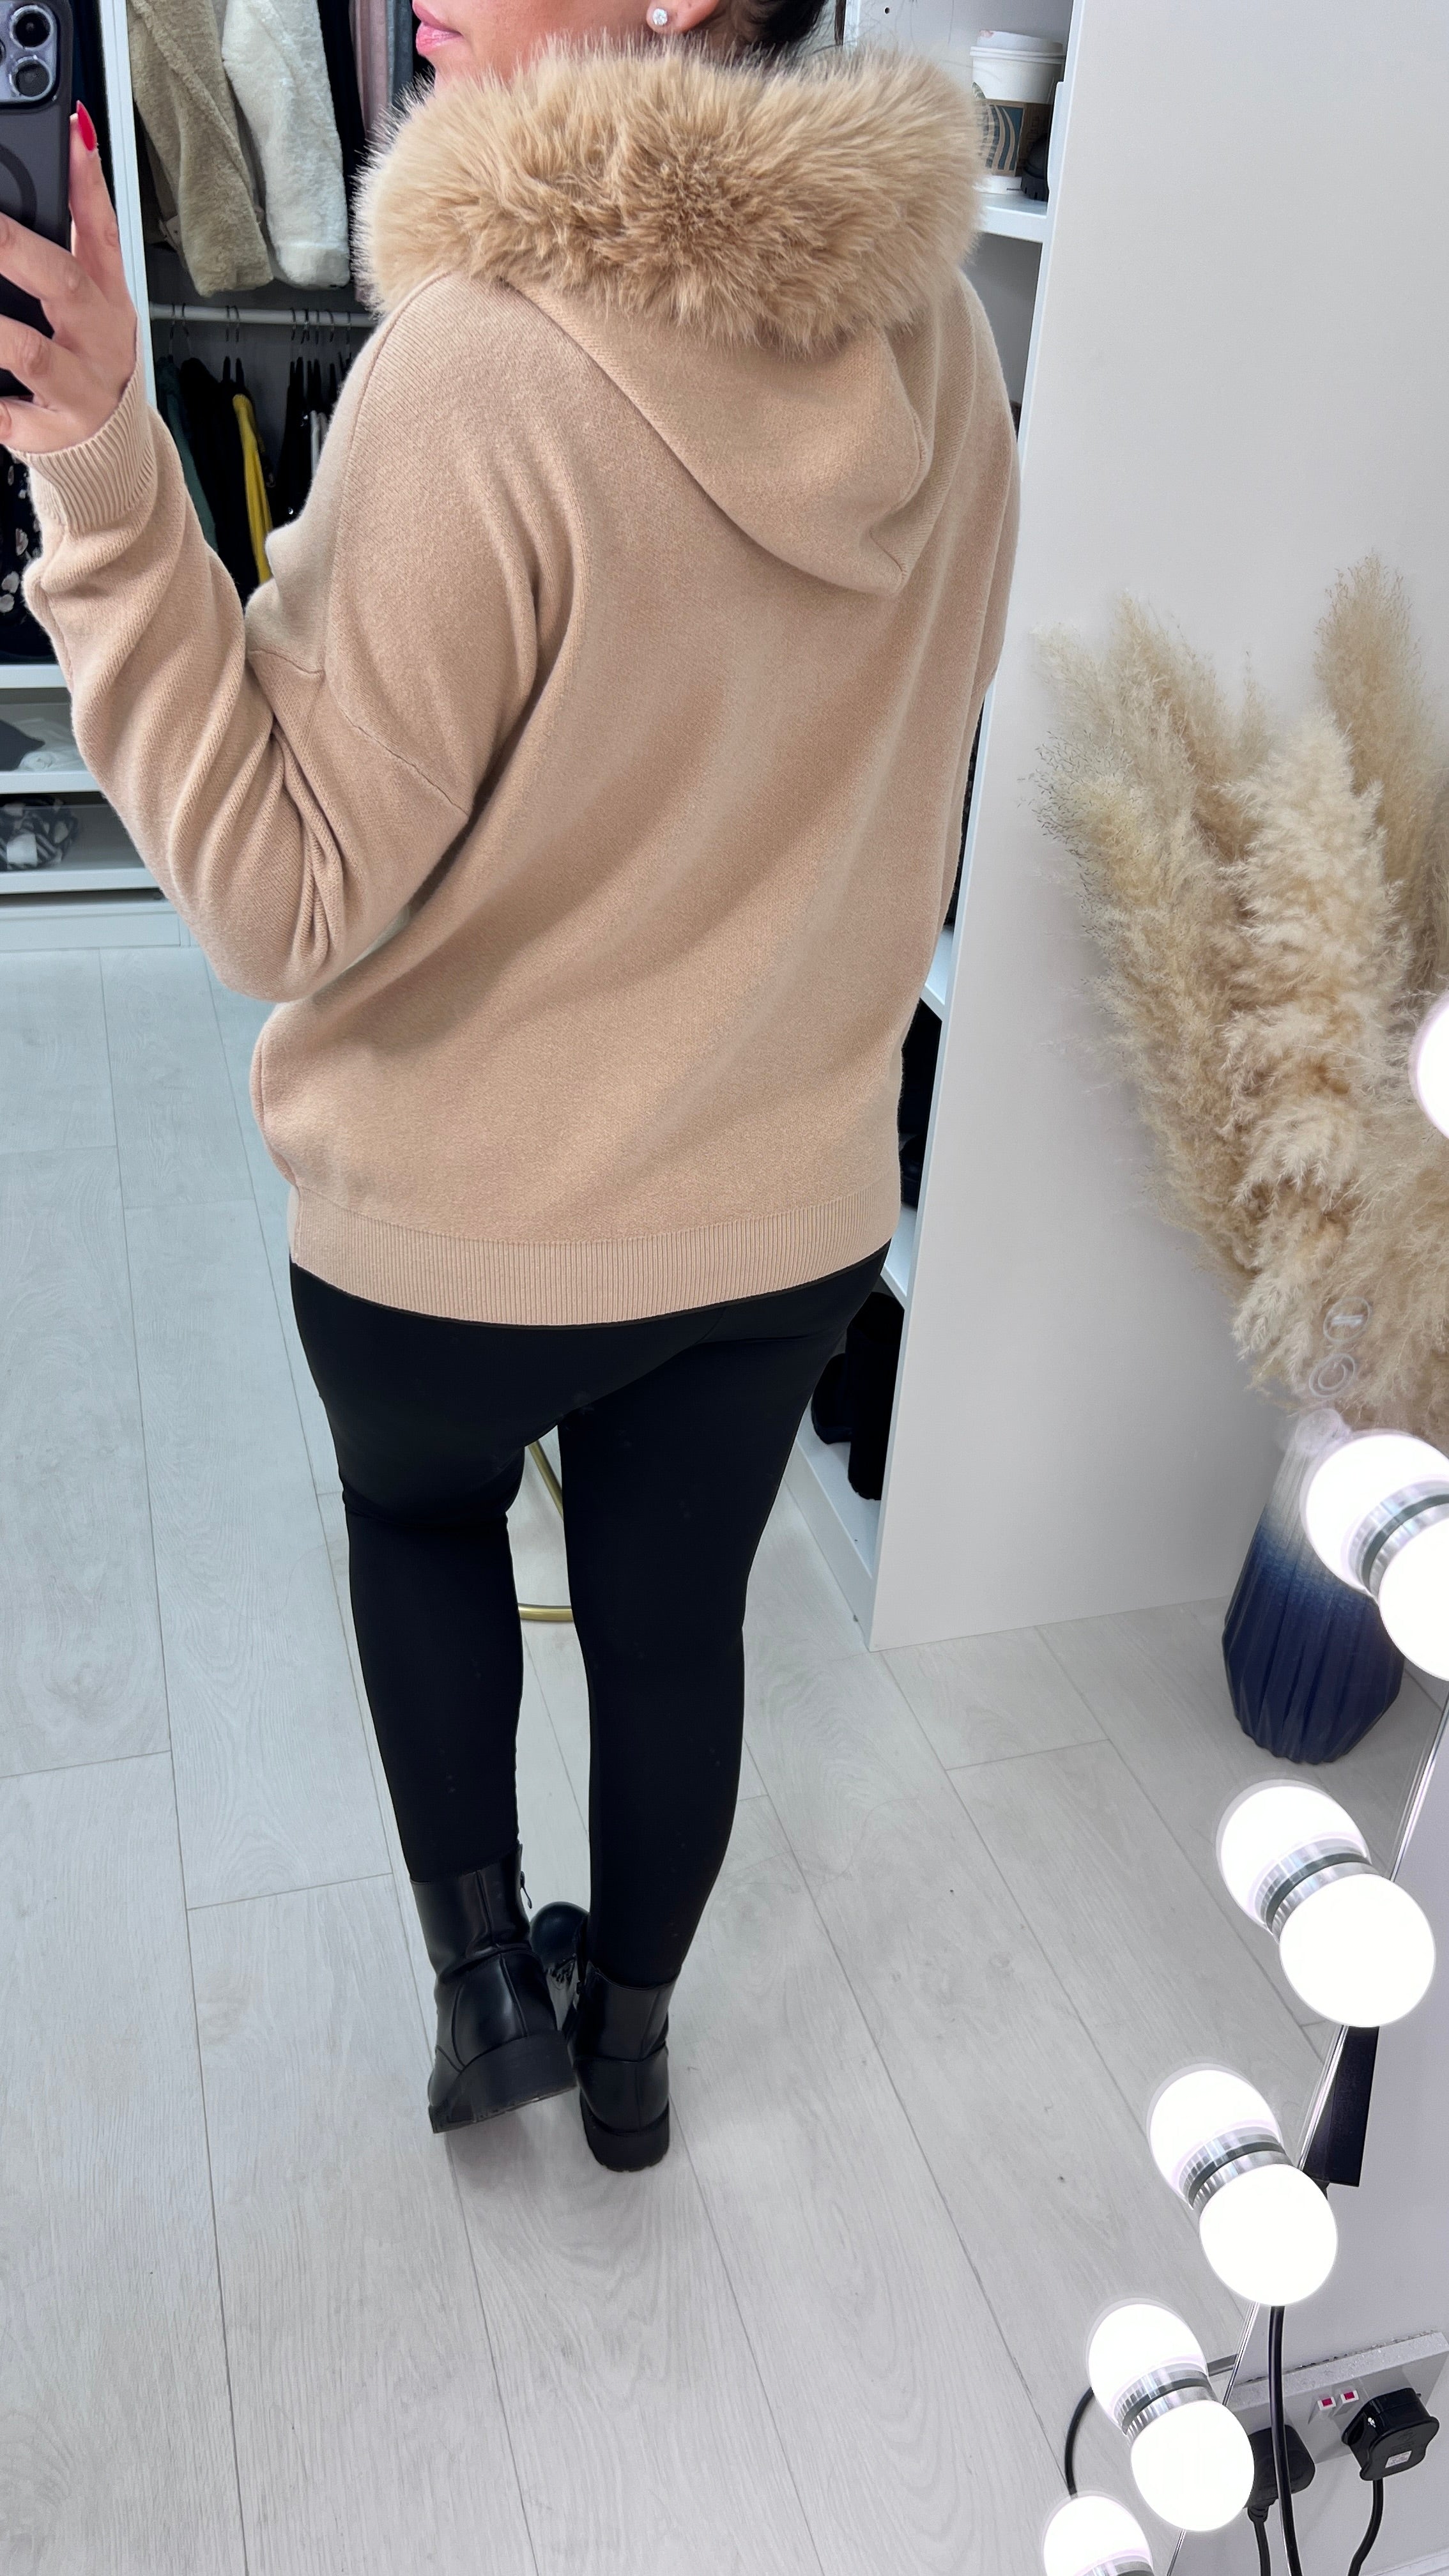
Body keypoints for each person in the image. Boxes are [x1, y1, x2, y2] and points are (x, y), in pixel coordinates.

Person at [0, 4, 1017, 2171]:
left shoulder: (478, 357)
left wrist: (103, 468)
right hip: (785, 1213)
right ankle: (630, 2058)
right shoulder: (940, 341)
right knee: (673, 1626)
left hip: (456, 1234)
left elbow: (278, 894)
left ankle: (487, 2002)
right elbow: (907, 755)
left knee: (418, 1522)